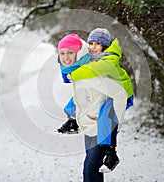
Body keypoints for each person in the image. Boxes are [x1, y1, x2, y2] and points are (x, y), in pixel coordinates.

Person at [56, 30, 133, 181]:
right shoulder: (88, 64)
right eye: (91, 44)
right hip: (91, 125)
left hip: (115, 103)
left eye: (70, 53)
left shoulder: (102, 65)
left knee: (90, 168)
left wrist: (114, 122)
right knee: (94, 169)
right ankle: (73, 120)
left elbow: (119, 94)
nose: (93, 47)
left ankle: (111, 152)